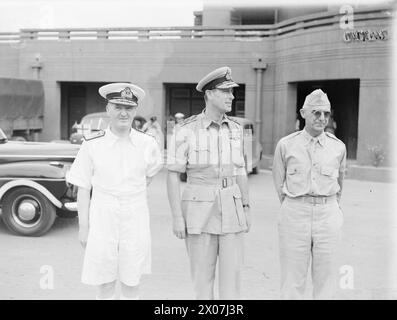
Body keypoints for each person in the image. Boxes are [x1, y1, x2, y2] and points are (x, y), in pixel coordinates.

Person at [66, 83, 163, 300]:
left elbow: (151, 172)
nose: (123, 112)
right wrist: (83, 228)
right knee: (104, 281)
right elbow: (83, 187)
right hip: (102, 213)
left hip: (135, 213)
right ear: (108, 109)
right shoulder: (92, 144)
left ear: (135, 111)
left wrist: (132, 193)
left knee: (132, 280)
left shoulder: (147, 144)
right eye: (117, 106)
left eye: (128, 108)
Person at [166, 66, 250, 300]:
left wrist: (246, 206)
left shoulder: (236, 129)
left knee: (232, 283)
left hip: (232, 209)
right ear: (210, 94)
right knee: (202, 282)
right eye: (226, 91)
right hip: (198, 210)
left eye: (232, 92)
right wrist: (176, 216)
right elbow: (173, 174)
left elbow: (241, 170)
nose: (232, 96)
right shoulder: (186, 130)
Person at [272, 89, 347, 300]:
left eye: (326, 114)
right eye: (316, 113)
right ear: (303, 113)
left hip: (328, 213)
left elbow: (340, 184)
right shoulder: (286, 145)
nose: (322, 118)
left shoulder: (338, 147)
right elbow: (279, 183)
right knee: (292, 281)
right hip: (295, 212)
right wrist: (296, 205)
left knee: (326, 282)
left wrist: (331, 208)